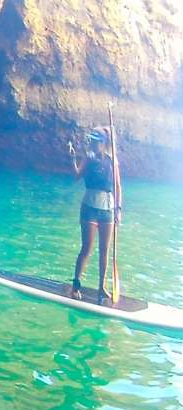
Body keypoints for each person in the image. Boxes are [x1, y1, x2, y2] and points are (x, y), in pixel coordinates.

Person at [69, 126, 120, 303]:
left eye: (96, 141)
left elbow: (117, 186)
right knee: (87, 247)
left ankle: (101, 287)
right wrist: (72, 159)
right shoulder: (88, 159)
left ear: (103, 143)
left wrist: (118, 210)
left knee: (104, 250)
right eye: (91, 141)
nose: (92, 143)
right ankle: (76, 285)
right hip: (89, 207)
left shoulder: (112, 160)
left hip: (108, 208)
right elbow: (76, 176)